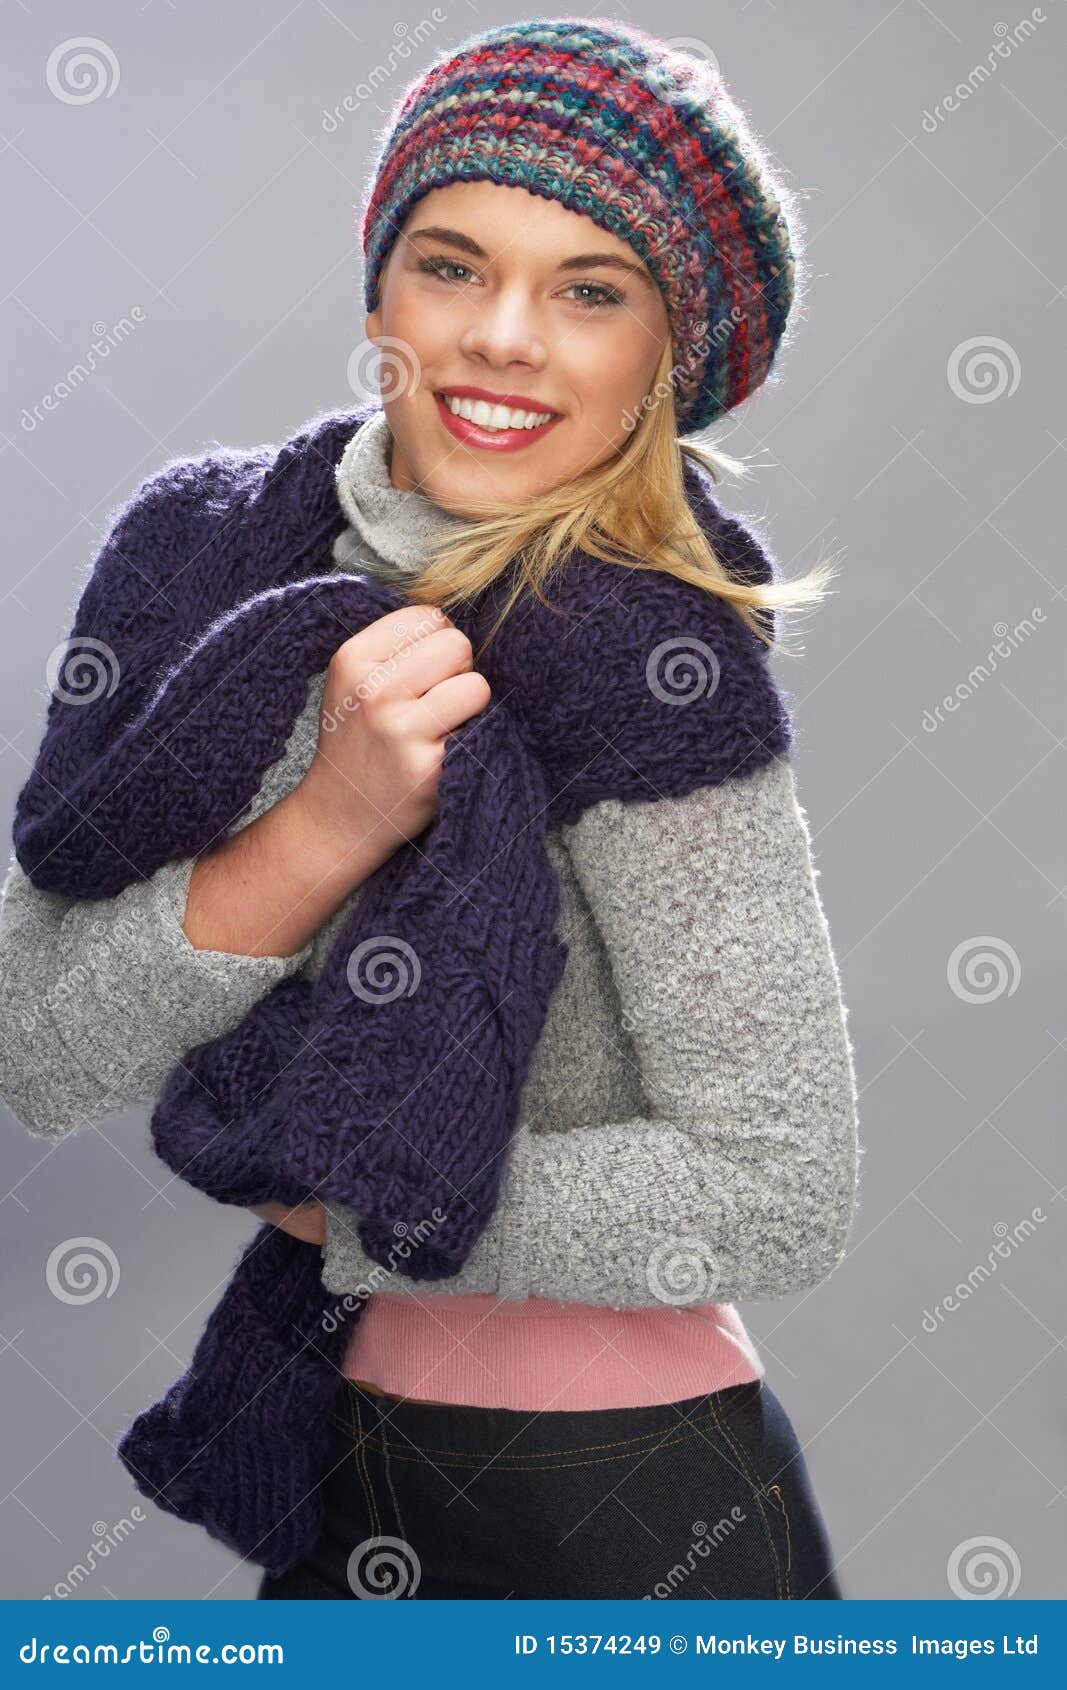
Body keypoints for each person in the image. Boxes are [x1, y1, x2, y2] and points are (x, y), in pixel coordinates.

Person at [0, 18, 860, 1600]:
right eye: (453, 264)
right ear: (380, 288)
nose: (505, 338)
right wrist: (324, 824)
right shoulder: (206, 561)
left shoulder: (646, 657)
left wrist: (362, 1201)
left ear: (666, 355)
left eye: (591, 290)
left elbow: (777, 1181)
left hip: (629, 1508)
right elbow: (36, 1041)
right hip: (348, 1466)